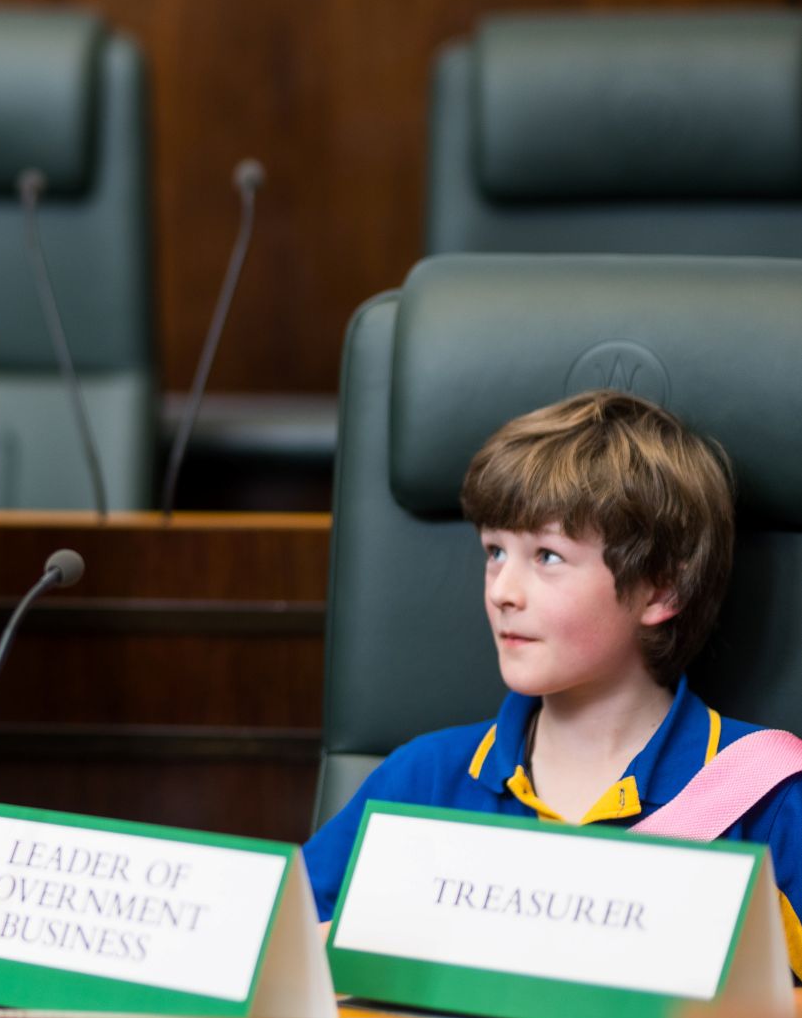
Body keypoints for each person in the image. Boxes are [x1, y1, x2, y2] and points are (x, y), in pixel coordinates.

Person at [302, 389, 801, 980]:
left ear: (661, 589)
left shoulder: (771, 800)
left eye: (547, 556)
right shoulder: (422, 780)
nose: (501, 591)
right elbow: (282, 952)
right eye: (494, 551)